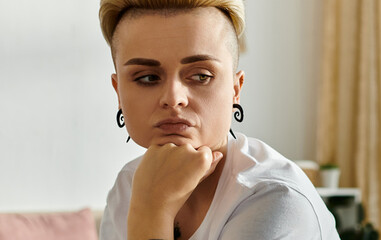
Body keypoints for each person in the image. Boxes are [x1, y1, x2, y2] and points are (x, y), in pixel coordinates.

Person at [97, 0, 339, 239]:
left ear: (235, 89)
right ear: (118, 93)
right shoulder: (127, 186)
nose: (173, 98)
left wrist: (152, 209)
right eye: (148, 78)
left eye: (201, 76)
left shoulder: (276, 197)